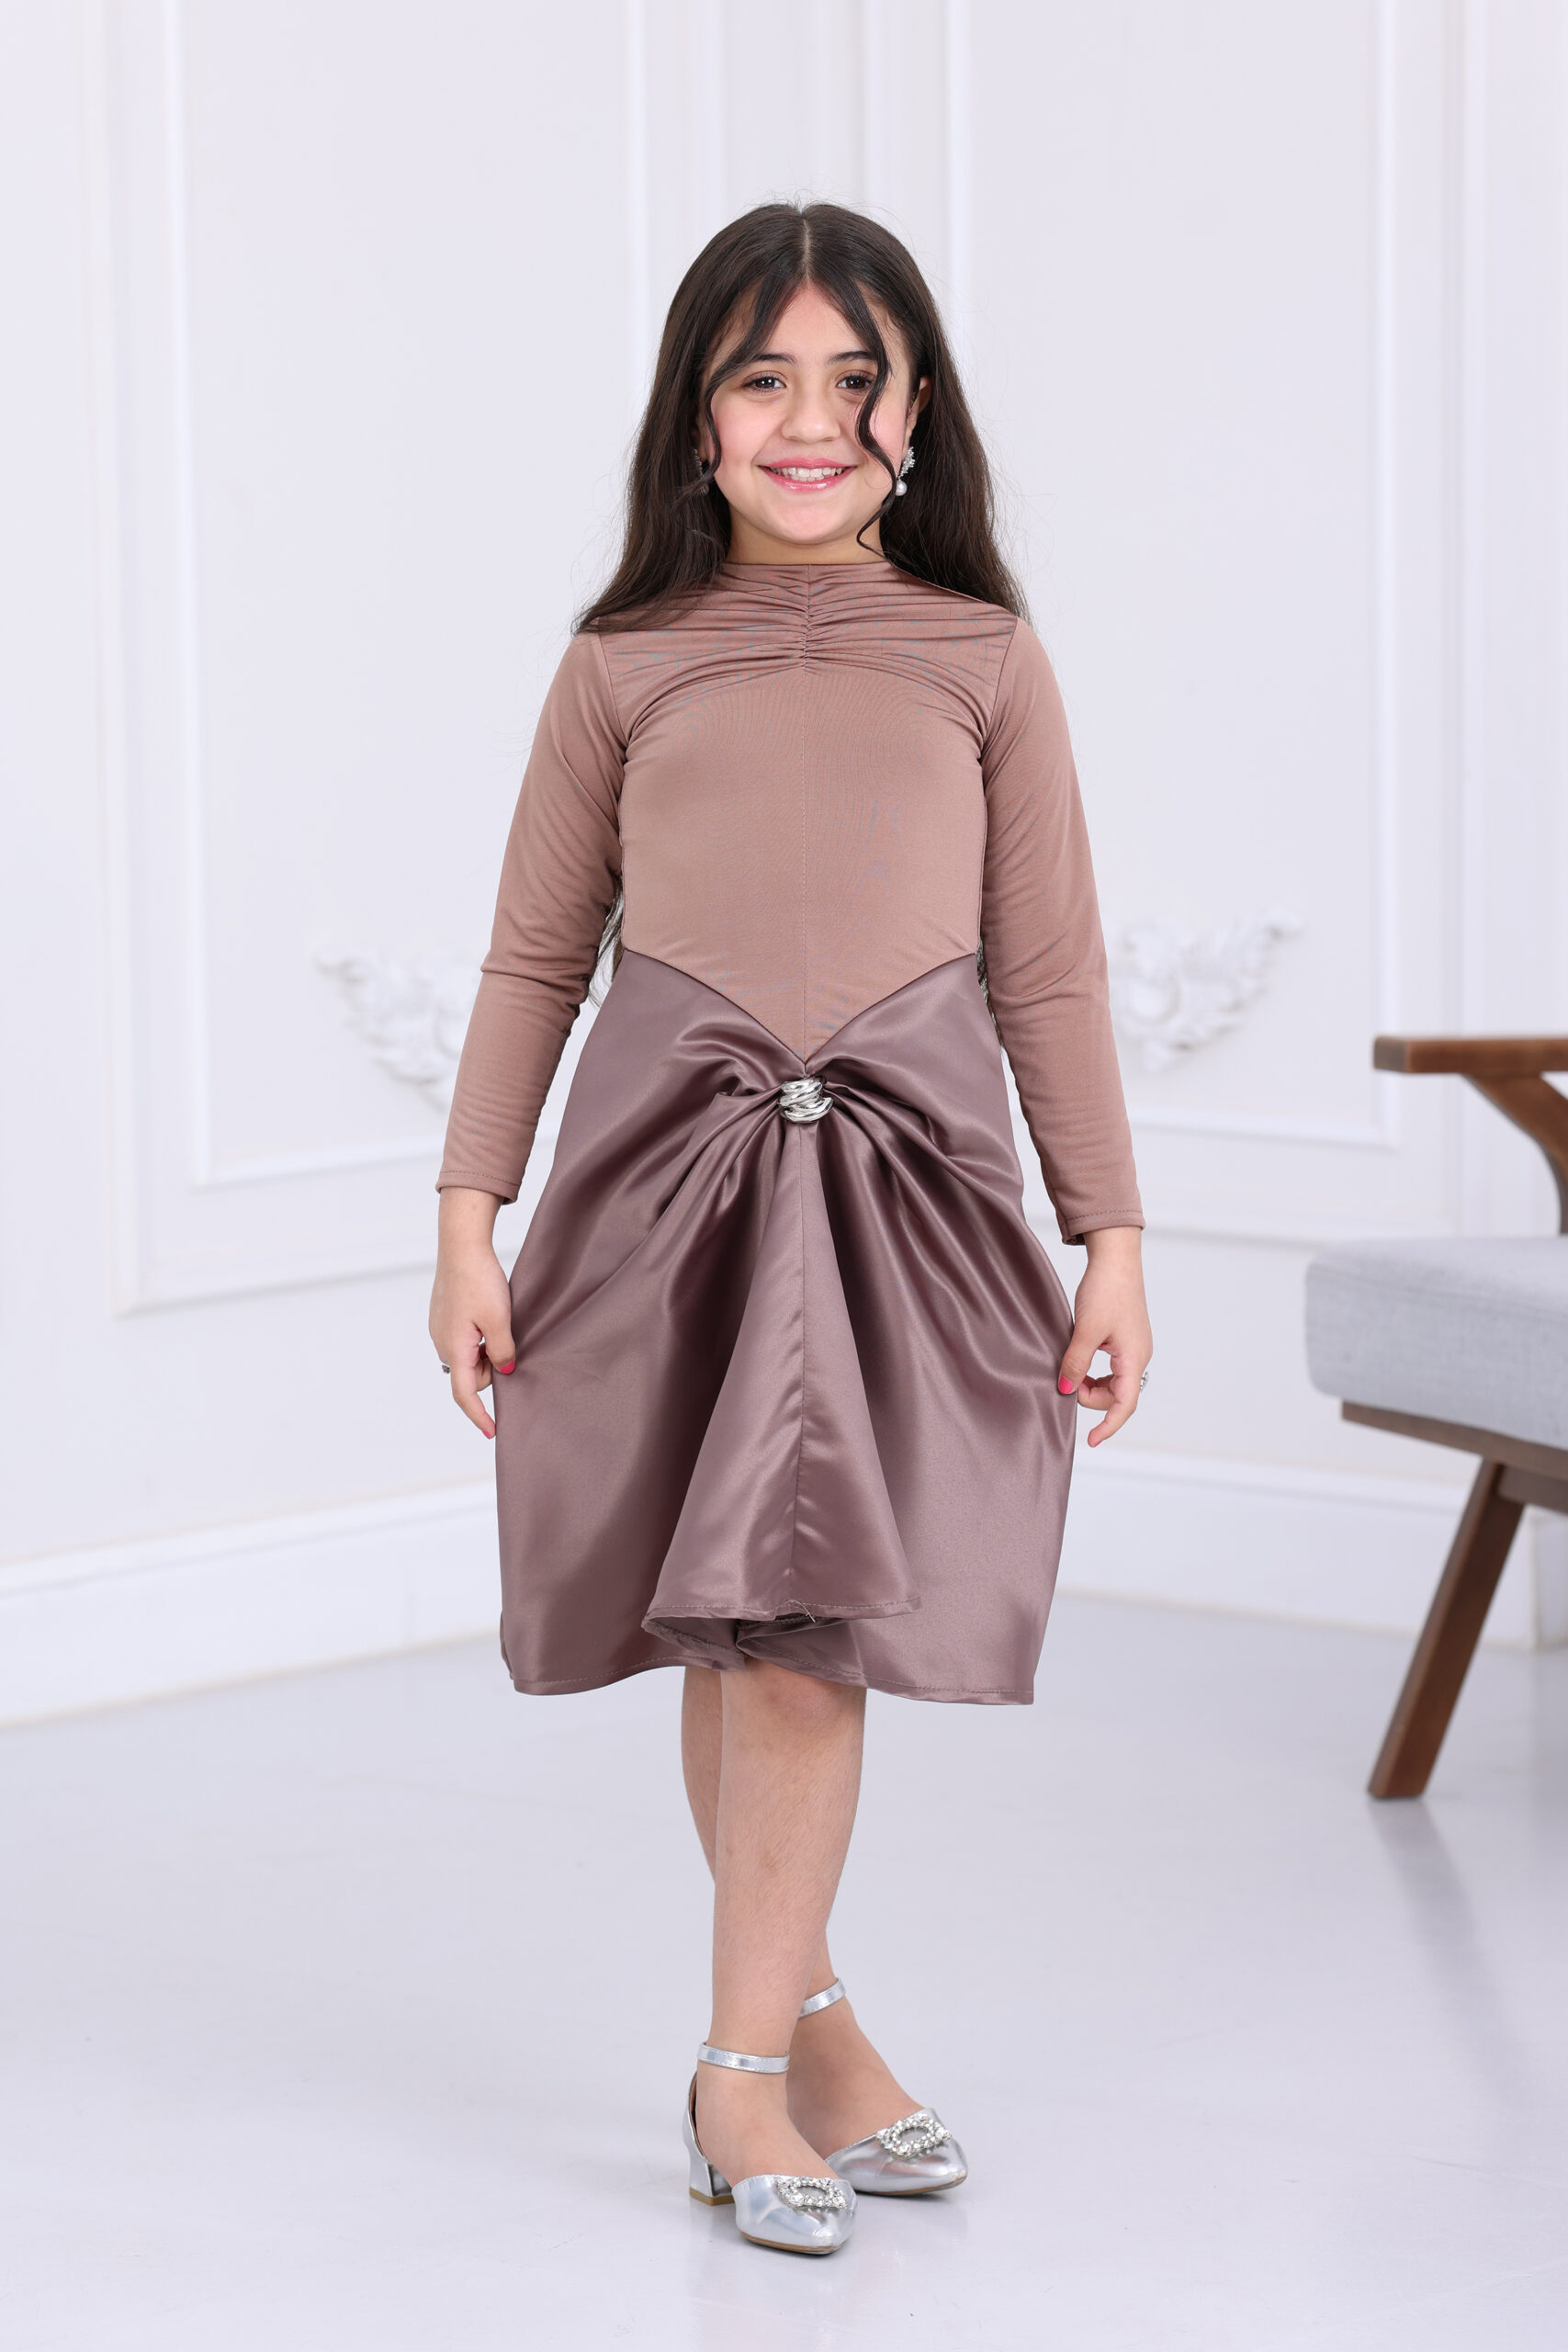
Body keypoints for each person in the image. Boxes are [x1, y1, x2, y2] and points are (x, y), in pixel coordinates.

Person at [428, 201, 1151, 2256]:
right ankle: (773, 2051)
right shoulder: (620, 666)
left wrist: (1106, 1231)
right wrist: (469, 1219)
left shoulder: (985, 657)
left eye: (854, 380)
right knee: (738, 1618)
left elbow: (1049, 970)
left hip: (905, 1185)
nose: (809, 420)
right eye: (762, 378)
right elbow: (533, 957)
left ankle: (768, 2049)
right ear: (696, 416)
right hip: (666, 1182)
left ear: (917, 416)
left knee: (800, 1624)